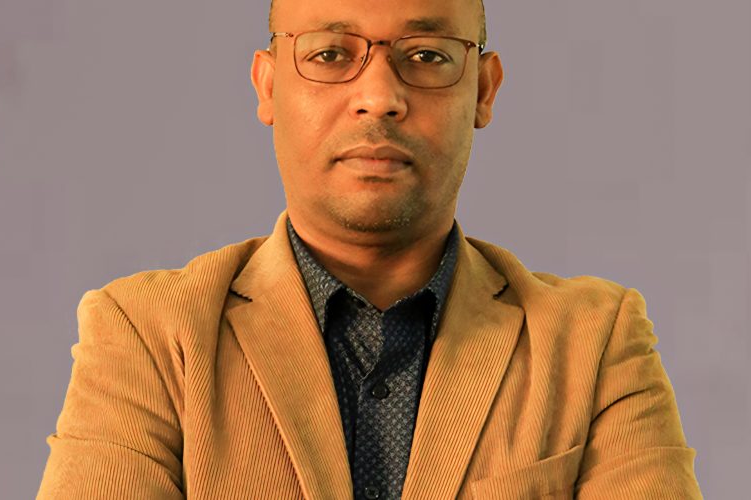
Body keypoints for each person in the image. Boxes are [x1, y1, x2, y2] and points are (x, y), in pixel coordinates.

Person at [37, 0, 702, 498]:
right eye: (331, 54)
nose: (380, 98)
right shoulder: (151, 337)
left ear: (484, 89)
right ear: (268, 86)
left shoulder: (593, 343)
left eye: (427, 56)